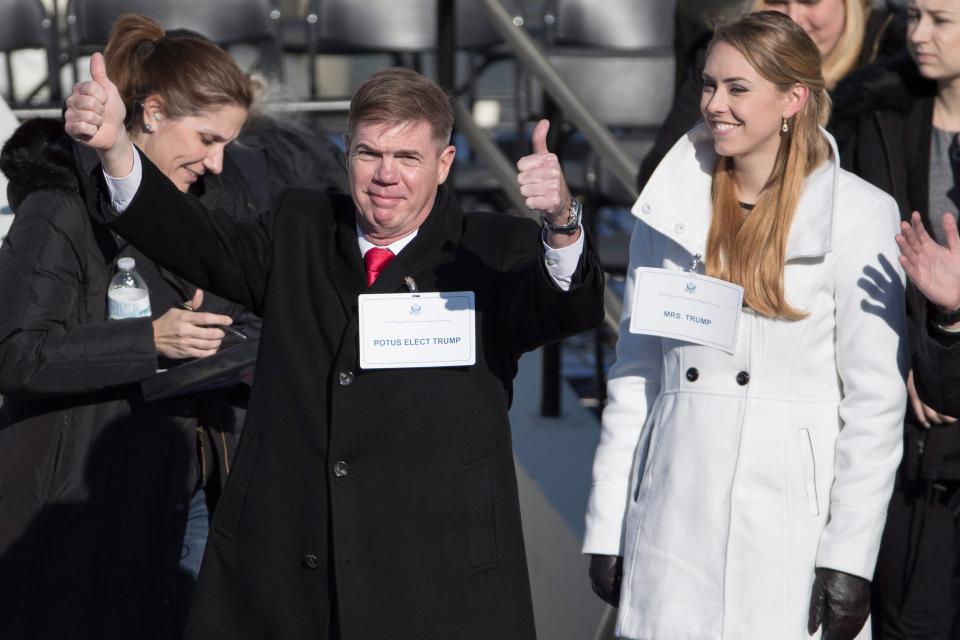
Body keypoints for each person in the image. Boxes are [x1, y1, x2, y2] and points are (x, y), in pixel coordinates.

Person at [63, 53, 606, 638]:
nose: (385, 175)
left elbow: (562, 307)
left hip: (436, 578)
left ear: (445, 163)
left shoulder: (490, 248)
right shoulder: (301, 226)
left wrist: (561, 221)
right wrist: (117, 149)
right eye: (369, 153)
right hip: (293, 571)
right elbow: (198, 241)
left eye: (407, 157)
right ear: (346, 152)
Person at [583, 11, 906, 640]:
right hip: (675, 521)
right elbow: (636, 375)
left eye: (738, 89)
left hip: (788, 533)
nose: (715, 105)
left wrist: (849, 556)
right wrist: (607, 524)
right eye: (709, 85)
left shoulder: (860, 215)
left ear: (793, 99)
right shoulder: (669, 208)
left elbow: (875, 405)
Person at [0, 14, 270, 640]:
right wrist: (148, 340)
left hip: (189, 486)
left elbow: (252, 299)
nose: (217, 163)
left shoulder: (209, 207)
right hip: (78, 501)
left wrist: (229, 329)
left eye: (227, 143)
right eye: (206, 139)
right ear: (150, 114)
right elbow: (14, 353)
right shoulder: (59, 205)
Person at [831, 0, 960, 635]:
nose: (917, 35)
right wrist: (908, 360)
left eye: (941, 20)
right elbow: (848, 264)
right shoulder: (870, 118)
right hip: (908, 435)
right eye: (912, 16)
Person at [638, 0, 905, 191]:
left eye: (809, 2)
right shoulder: (721, 56)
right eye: (776, 1)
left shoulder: (898, 71)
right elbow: (658, 178)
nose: (794, 17)